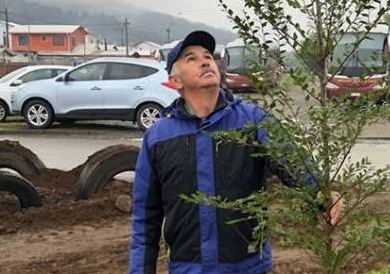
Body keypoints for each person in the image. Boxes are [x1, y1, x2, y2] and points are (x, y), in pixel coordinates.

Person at [129, 30, 341, 274]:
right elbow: (145, 221)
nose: (205, 61)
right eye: (191, 58)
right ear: (175, 82)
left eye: (208, 55)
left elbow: (295, 165)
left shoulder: (253, 121)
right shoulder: (158, 138)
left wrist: (323, 192)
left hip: (248, 267)